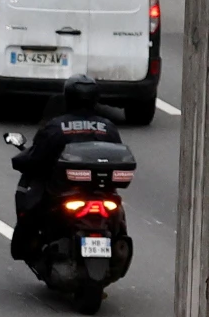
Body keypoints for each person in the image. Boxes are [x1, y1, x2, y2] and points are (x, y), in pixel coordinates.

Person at [11, 84, 127, 254]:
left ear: (67, 99)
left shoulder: (55, 127)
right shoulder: (108, 127)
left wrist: (20, 161)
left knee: (31, 203)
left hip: (62, 190)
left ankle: (29, 244)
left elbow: (35, 158)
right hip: (101, 190)